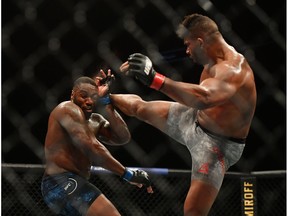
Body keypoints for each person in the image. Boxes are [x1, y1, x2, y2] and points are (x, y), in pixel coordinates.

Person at [110, 13, 257, 216]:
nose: (187, 51)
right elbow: (198, 102)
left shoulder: (235, 70)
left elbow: (204, 97)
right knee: (140, 108)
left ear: (200, 41)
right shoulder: (211, 62)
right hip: (193, 118)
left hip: (217, 146)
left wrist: (155, 79)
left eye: (188, 45)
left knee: (193, 211)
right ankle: (105, 98)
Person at [41, 71, 153, 216]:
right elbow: (92, 147)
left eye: (94, 97)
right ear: (72, 95)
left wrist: (106, 100)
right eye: (83, 95)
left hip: (71, 183)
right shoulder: (67, 109)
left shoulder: (95, 120)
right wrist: (127, 174)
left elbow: (122, 137)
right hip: (60, 182)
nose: (89, 101)